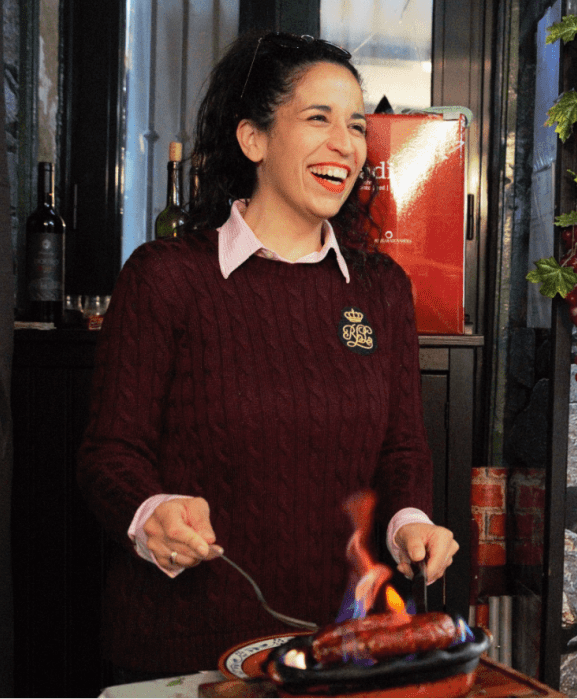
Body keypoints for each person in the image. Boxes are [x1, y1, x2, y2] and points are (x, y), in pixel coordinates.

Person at [77, 30, 459, 678]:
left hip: (338, 650)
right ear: (252, 138)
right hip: (184, 652)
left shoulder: (381, 290)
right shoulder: (166, 277)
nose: (346, 143)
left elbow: (401, 450)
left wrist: (410, 521)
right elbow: (109, 454)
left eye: (357, 125)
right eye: (319, 118)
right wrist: (148, 511)